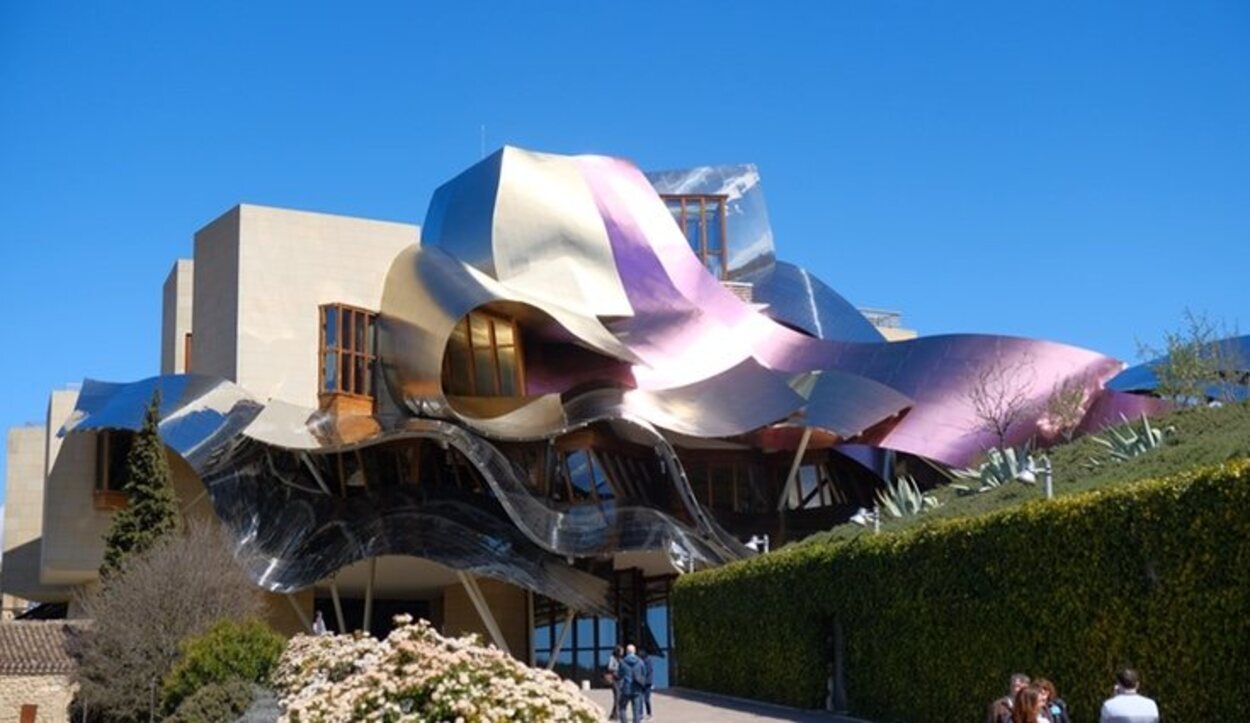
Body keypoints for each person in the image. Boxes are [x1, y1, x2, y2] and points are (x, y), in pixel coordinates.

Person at [616, 644, 649, 723]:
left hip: (625, 689)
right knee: (636, 711)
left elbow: (619, 675)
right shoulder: (640, 662)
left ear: (627, 652)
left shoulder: (622, 662)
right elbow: (644, 674)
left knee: (622, 708)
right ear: (634, 651)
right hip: (637, 689)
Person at [606, 646, 623, 720]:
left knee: (618, 698)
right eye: (621, 651)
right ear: (618, 651)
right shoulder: (612, 658)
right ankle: (616, 715)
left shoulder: (620, 659)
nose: (622, 652)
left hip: (619, 680)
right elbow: (609, 667)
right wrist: (617, 669)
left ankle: (613, 715)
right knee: (617, 697)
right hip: (614, 680)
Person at [640, 649, 655, 719]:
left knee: (646, 699)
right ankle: (640, 713)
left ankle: (649, 713)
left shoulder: (648, 661)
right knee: (640, 699)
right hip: (642, 682)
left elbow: (648, 671)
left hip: (647, 683)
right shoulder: (641, 661)